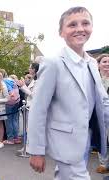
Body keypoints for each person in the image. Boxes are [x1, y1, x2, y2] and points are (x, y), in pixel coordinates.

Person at [27, 7, 109, 179]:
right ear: (61, 32)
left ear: (92, 28)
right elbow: (38, 109)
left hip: (87, 139)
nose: (80, 28)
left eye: (85, 23)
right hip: (65, 143)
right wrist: (36, 150)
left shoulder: (93, 63)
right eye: (72, 25)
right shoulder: (53, 63)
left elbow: (102, 101)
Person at [95, 54, 109, 174]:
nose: (107, 64)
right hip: (99, 116)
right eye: (104, 62)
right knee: (102, 140)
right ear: (98, 65)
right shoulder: (94, 80)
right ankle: (104, 163)